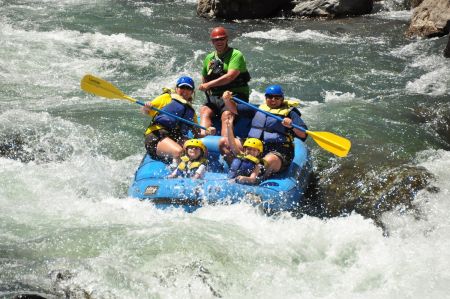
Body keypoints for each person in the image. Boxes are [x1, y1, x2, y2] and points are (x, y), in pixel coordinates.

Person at [222, 85, 307, 178]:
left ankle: (257, 178)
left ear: (282, 99)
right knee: (224, 143)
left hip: (277, 149)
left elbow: (303, 134)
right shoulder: (258, 109)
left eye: (277, 97)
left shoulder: (290, 113)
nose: (273, 100)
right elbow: (234, 108)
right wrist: (226, 99)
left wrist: (291, 126)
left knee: (269, 160)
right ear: (266, 98)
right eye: (270, 97)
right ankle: (236, 168)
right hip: (253, 146)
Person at [142, 76, 215, 165]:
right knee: (179, 151)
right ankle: (175, 174)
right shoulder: (166, 97)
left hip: (175, 137)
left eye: (188, 88)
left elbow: (198, 134)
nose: (184, 91)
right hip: (156, 136)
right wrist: (146, 107)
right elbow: (145, 111)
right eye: (182, 87)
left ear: (192, 92)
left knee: (198, 149)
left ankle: (196, 170)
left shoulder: (191, 112)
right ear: (176, 89)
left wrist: (208, 132)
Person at [198, 26, 252, 138]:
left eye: (222, 39)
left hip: (234, 96)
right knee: (204, 111)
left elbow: (230, 77)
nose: (219, 42)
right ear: (212, 42)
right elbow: (205, 77)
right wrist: (205, 85)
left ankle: (226, 145)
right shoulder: (209, 58)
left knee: (226, 115)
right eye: (216, 40)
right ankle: (203, 140)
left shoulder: (236, 54)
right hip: (216, 97)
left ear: (226, 39)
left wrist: (208, 85)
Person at [225, 117, 263, 184]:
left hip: (244, 184)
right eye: (249, 149)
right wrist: (229, 127)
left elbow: (252, 179)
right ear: (244, 149)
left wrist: (244, 178)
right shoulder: (239, 154)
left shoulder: (257, 165)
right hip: (231, 180)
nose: (251, 151)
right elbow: (231, 142)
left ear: (258, 153)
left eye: (254, 150)